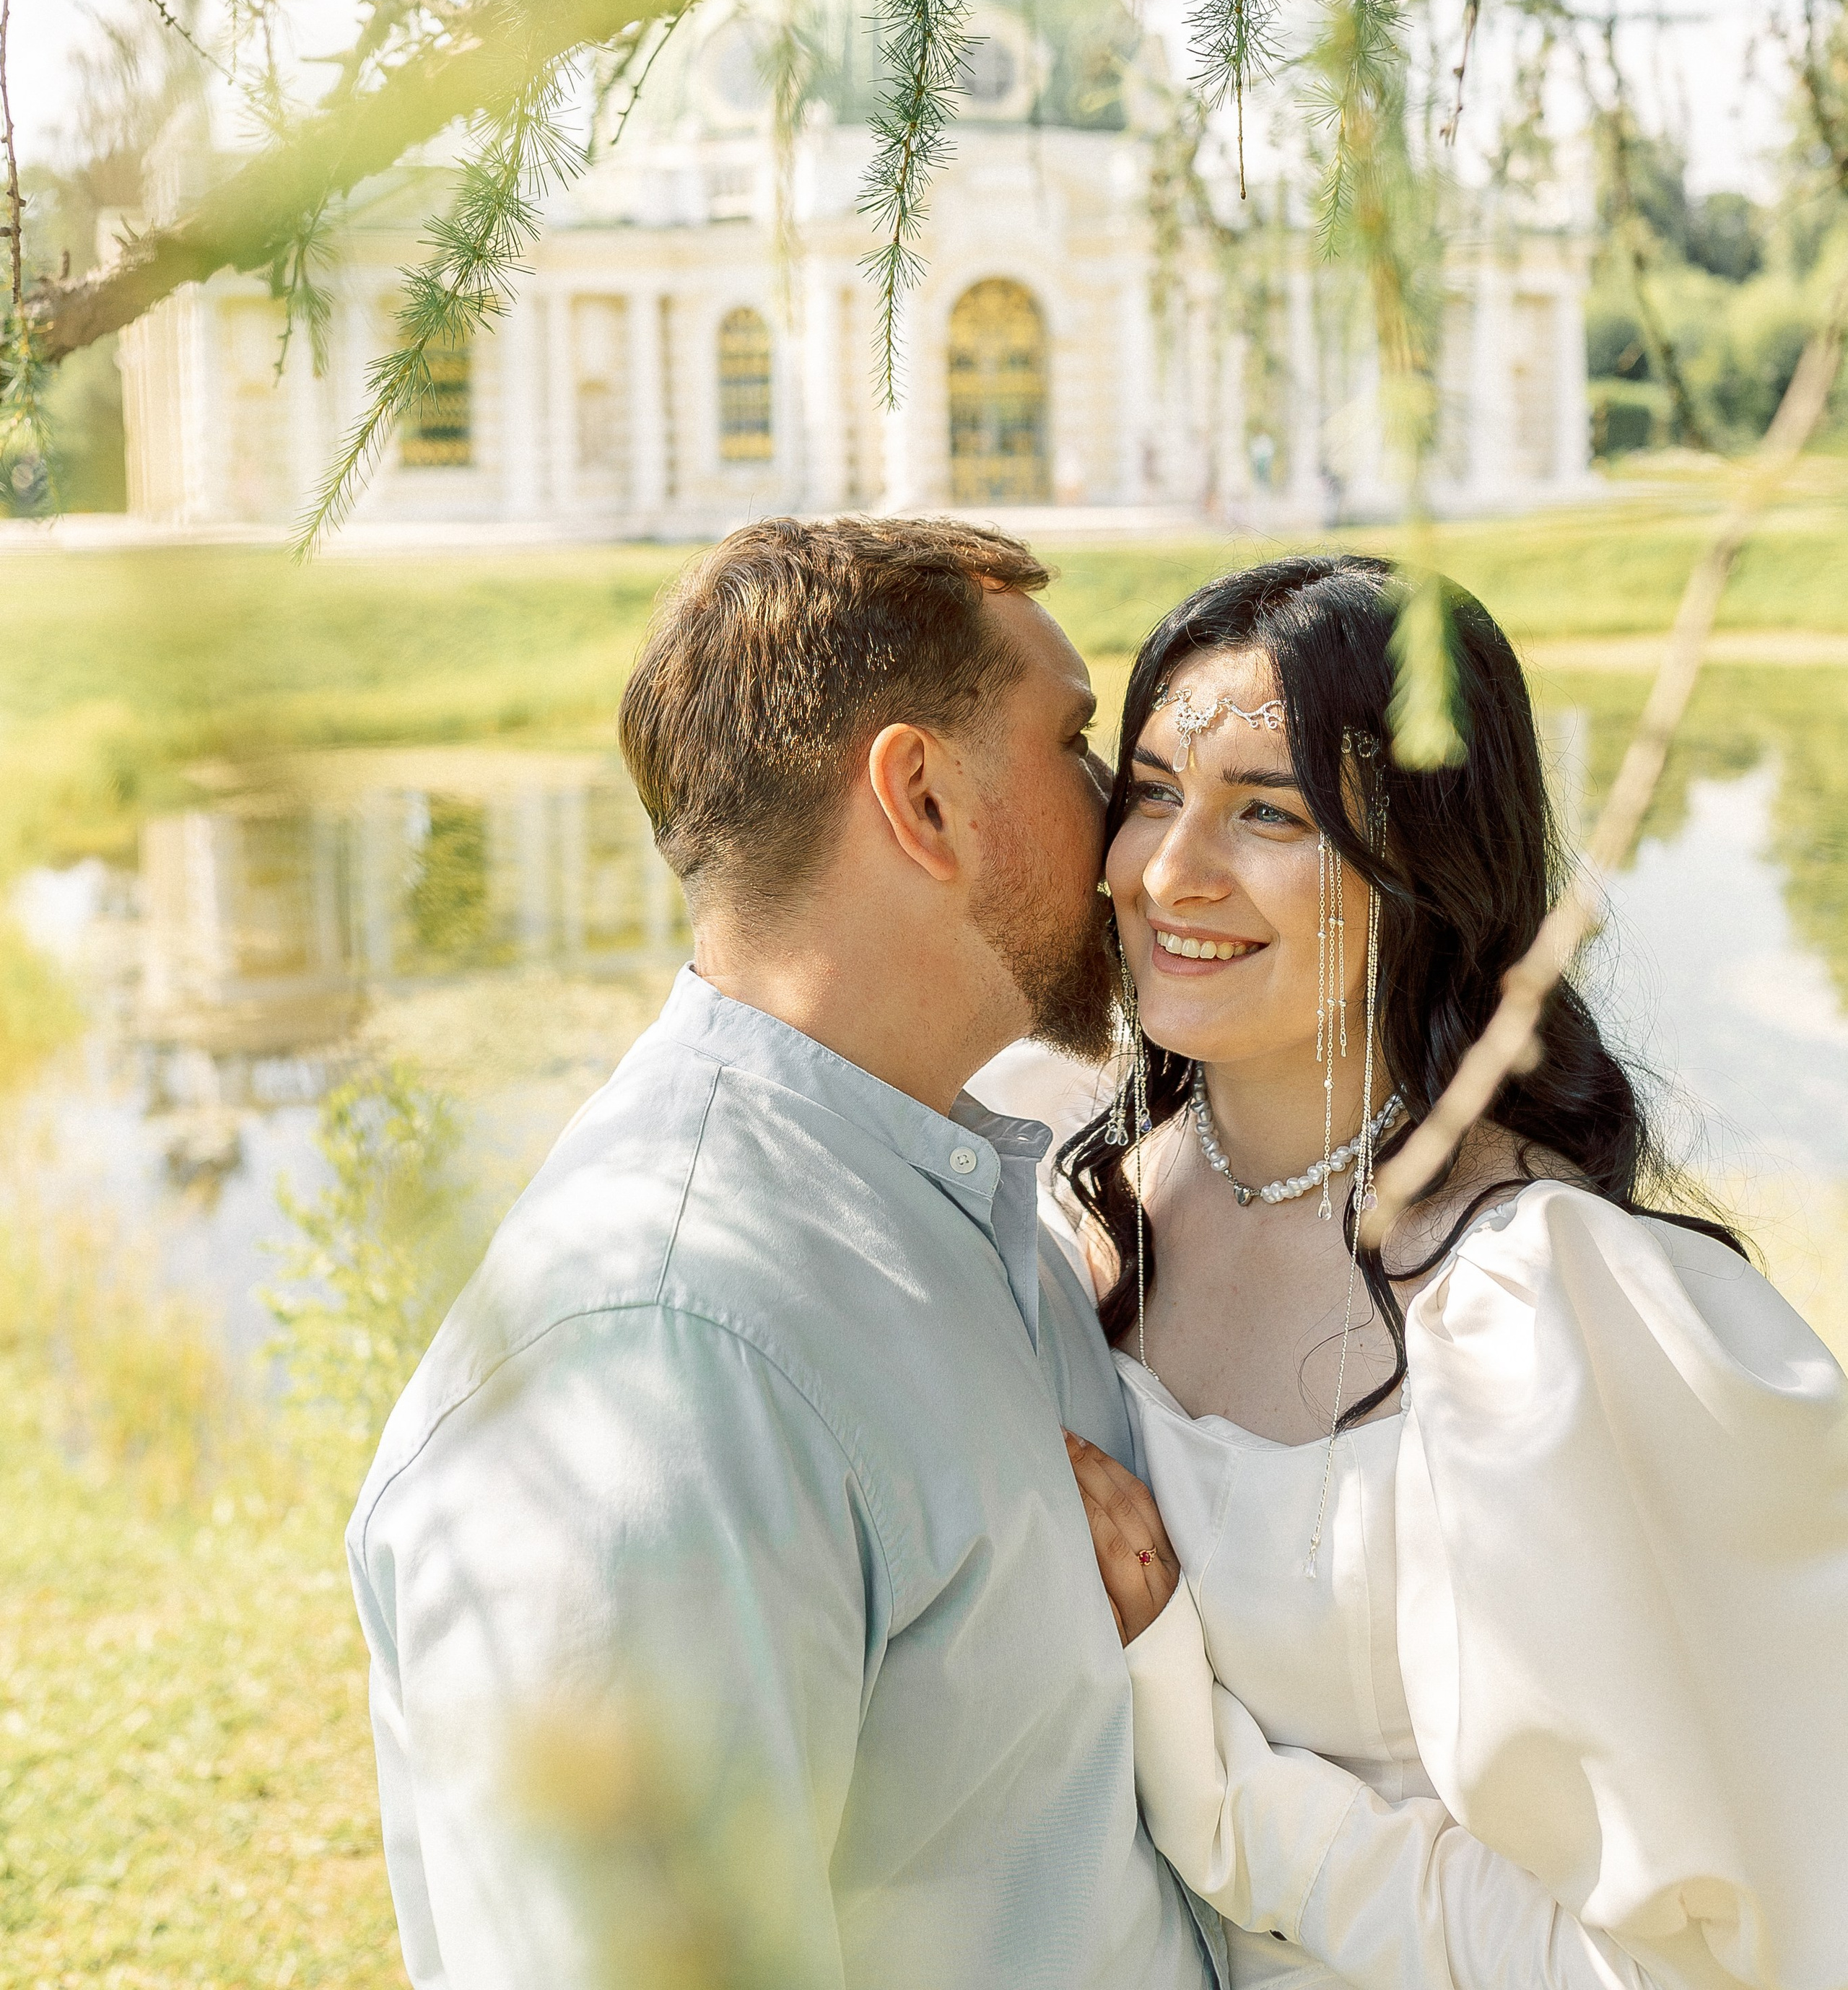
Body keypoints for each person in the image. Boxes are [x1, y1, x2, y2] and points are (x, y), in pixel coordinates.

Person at [346, 515, 1226, 1990]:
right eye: (1077, 748)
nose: (1129, 839)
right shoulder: (661, 1365)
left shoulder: (934, 1184)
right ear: (922, 799)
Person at [1057, 553, 1848, 1990]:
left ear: (1424, 868)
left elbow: (1654, 1964)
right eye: (1151, 790)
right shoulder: (1068, 1202)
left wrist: (1209, 1775)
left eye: (1267, 813)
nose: (1168, 872)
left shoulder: (1532, 1315)